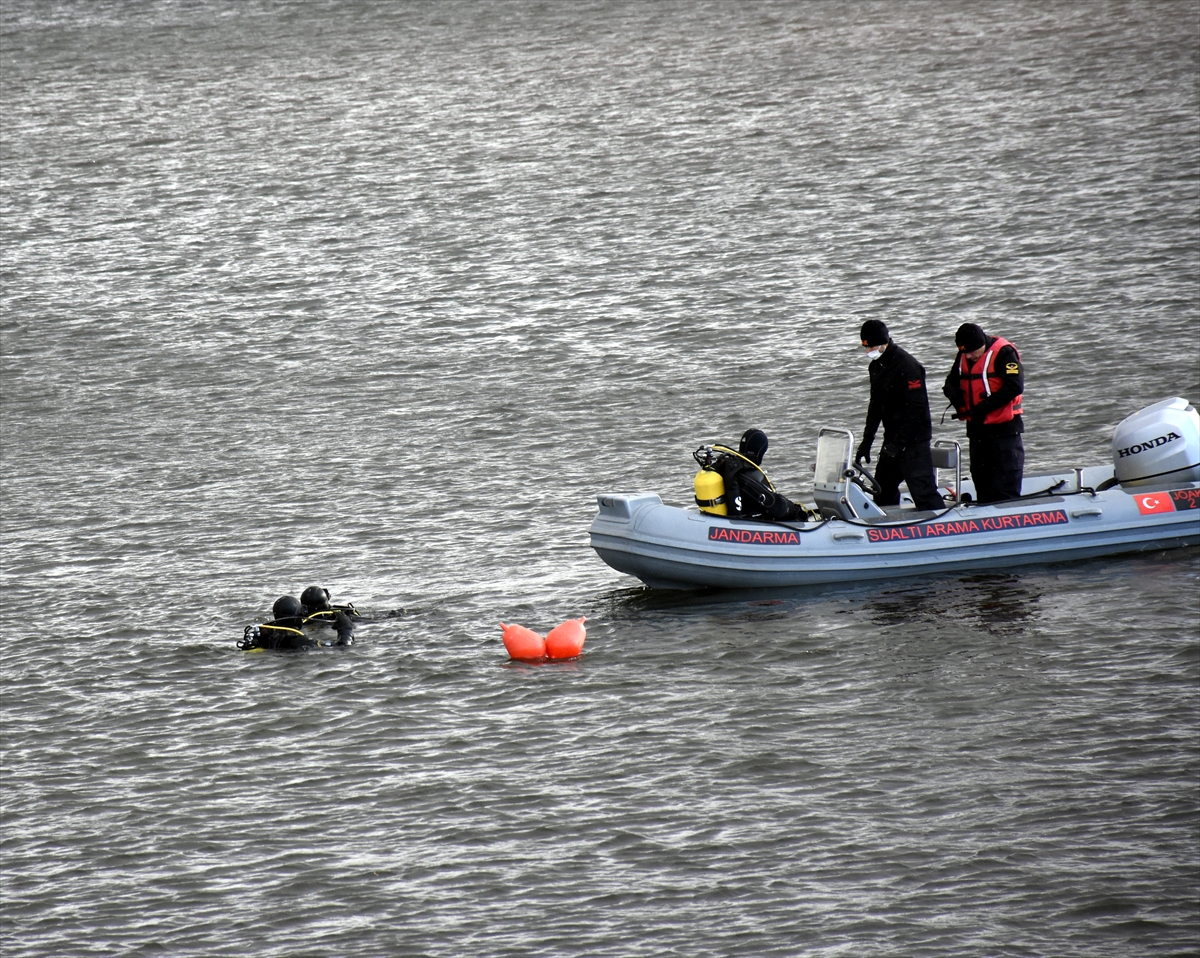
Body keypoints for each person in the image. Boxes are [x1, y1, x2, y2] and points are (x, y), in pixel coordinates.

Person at [855, 320, 945, 511]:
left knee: (923, 491)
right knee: (882, 489)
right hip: (892, 439)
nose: (868, 351)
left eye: (871, 346)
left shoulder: (908, 366)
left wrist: (900, 443)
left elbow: (917, 409)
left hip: (914, 440)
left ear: (884, 342)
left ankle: (941, 526)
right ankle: (886, 527)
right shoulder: (876, 366)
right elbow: (875, 406)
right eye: (865, 346)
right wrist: (867, 441)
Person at [942, 322, 1024, 503]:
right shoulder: (964, 355)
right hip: (977, 431)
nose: (969, 356)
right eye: (964, 352)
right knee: (982, 481)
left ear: (982, 343)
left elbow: (1015, 386)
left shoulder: (1004, 353)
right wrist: (952, 393)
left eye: (972, 351)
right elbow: (951, 381)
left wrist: (983, 408)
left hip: (1004, 432)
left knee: (1004, 485)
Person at [713, 428, 813, 521]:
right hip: (749, 523)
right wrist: (796, 511)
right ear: (759, 452)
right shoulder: (748, 476)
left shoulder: (728, 467)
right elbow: (775, 505)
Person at [239, 585, 358, 651]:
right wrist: (346, 629)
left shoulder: (266, 635)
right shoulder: (298, 641)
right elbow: (341, 647)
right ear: (296, 617)